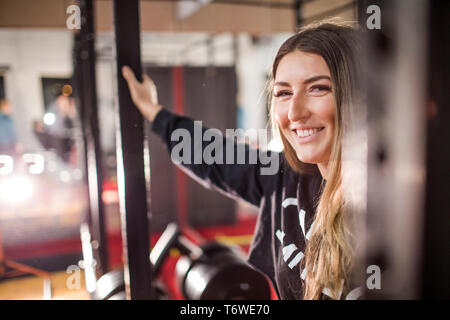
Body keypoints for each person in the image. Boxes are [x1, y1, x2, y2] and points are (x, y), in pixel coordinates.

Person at [122, 19, 363, 300]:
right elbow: (213, 155)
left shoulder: (396, 207)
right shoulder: (284, 177)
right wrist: (153, 111)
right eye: (283, 93)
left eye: (318, 88)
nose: (294, 112)